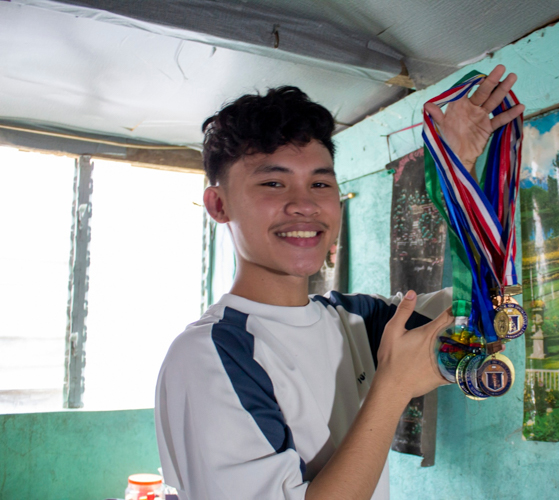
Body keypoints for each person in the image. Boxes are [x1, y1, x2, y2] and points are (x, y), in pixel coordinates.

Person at [155, 65, 524, 500]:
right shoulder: (210, 356)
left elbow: (488, 318)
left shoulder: (356, 319)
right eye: (273, 182)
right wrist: (393, 387)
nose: (304, 205)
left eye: (320, 182)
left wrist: (458, 180)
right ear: (219, 205)